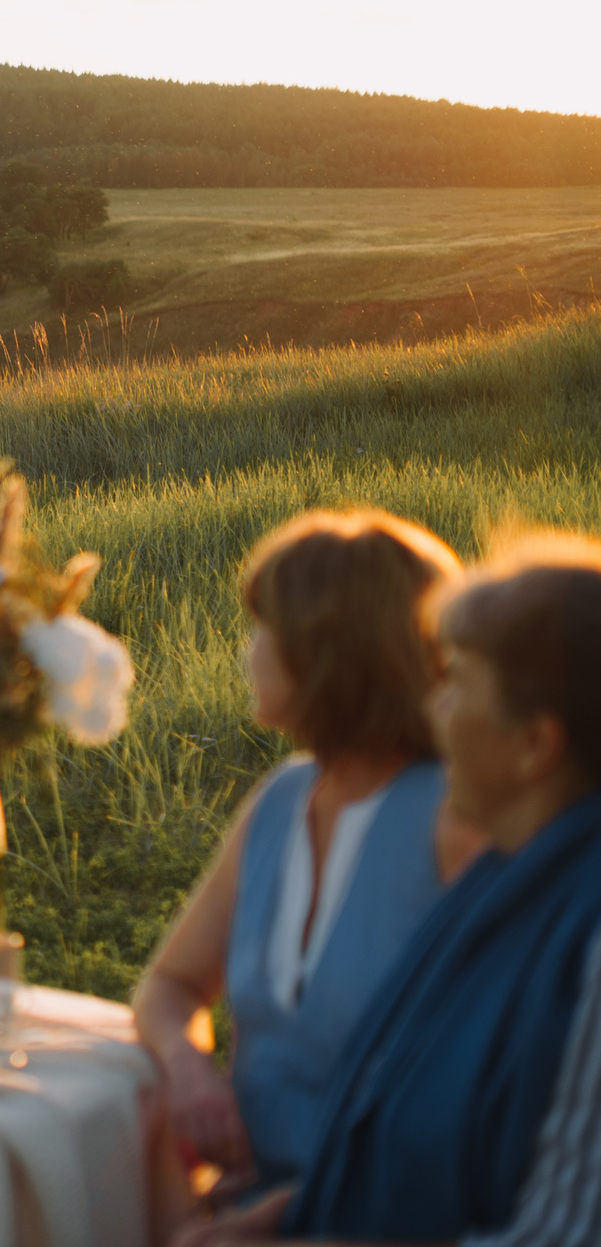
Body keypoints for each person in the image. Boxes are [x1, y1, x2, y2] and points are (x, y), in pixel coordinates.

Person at [176, 532, 601, 1247]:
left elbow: (559, 1233)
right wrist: (278, 1216)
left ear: (535, 745)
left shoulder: (581, 934)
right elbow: (411, 1138)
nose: (432, 709)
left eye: (457, 681)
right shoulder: (506, 881)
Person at [134, 510, 472, 1200]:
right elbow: (168, 986)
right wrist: (187, 1064)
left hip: (387, 1210)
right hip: (248, 1191)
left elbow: (475, 1098)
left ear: (332, 653)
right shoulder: (282, 798)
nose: (249, 651)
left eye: (266, 630)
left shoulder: (453, 820)